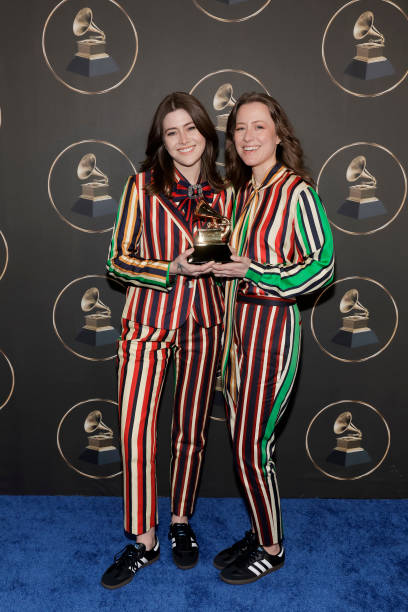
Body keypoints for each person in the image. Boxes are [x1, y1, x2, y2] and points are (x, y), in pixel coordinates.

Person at [101, 92, 232, 589]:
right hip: (148, 324)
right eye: (172, 131)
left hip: (204, 325)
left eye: (191, 129)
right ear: (161, 139)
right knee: (135, 430)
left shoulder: (226, 192)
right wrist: (167, 268)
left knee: (191, 431)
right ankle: (143, 538)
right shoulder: (141, 187)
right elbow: (116, 260)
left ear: (206, 133)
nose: (183, 140)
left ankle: (179, 521)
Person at [212, 92, 334, 585]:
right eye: (240, 128)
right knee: (246, 445)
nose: (248, 137)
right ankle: (264, 527)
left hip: (272, 332)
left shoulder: (297, 191)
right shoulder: (243, 195)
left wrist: (258, 272)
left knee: (250, 448)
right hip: (237, 336)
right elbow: (235, 265)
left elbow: (322, 268)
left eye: (258, 126)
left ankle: (272, 547)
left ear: (279, 133)